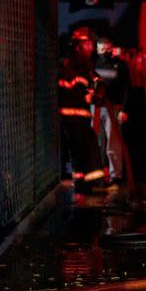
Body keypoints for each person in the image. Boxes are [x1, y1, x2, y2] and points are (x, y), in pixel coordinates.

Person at [58, 27, 105, 193]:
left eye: (92, 43)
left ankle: (84, 182)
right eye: (87, 43)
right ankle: (92, 183)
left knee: (82, 149)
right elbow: (77, 87)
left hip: (79, 115)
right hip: (72, 115)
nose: (91, 47)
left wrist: (98, 86)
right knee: (87, 146)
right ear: (77, 46)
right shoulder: (73, 64)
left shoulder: (85, 64)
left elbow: (93, 80)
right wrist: (91, 95)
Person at [93, 35, 131, 185]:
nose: (104, 52)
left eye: (106, 49)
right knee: (96, 142)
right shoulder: (93, 64)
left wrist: (124, 109)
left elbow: (127, 89)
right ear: (97, 49)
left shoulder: (120, 66)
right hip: (96, 108)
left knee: (113, 143)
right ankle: (96, 173)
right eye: (101, 49)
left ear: (111, 48)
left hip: (113, 108)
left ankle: (116, 175)